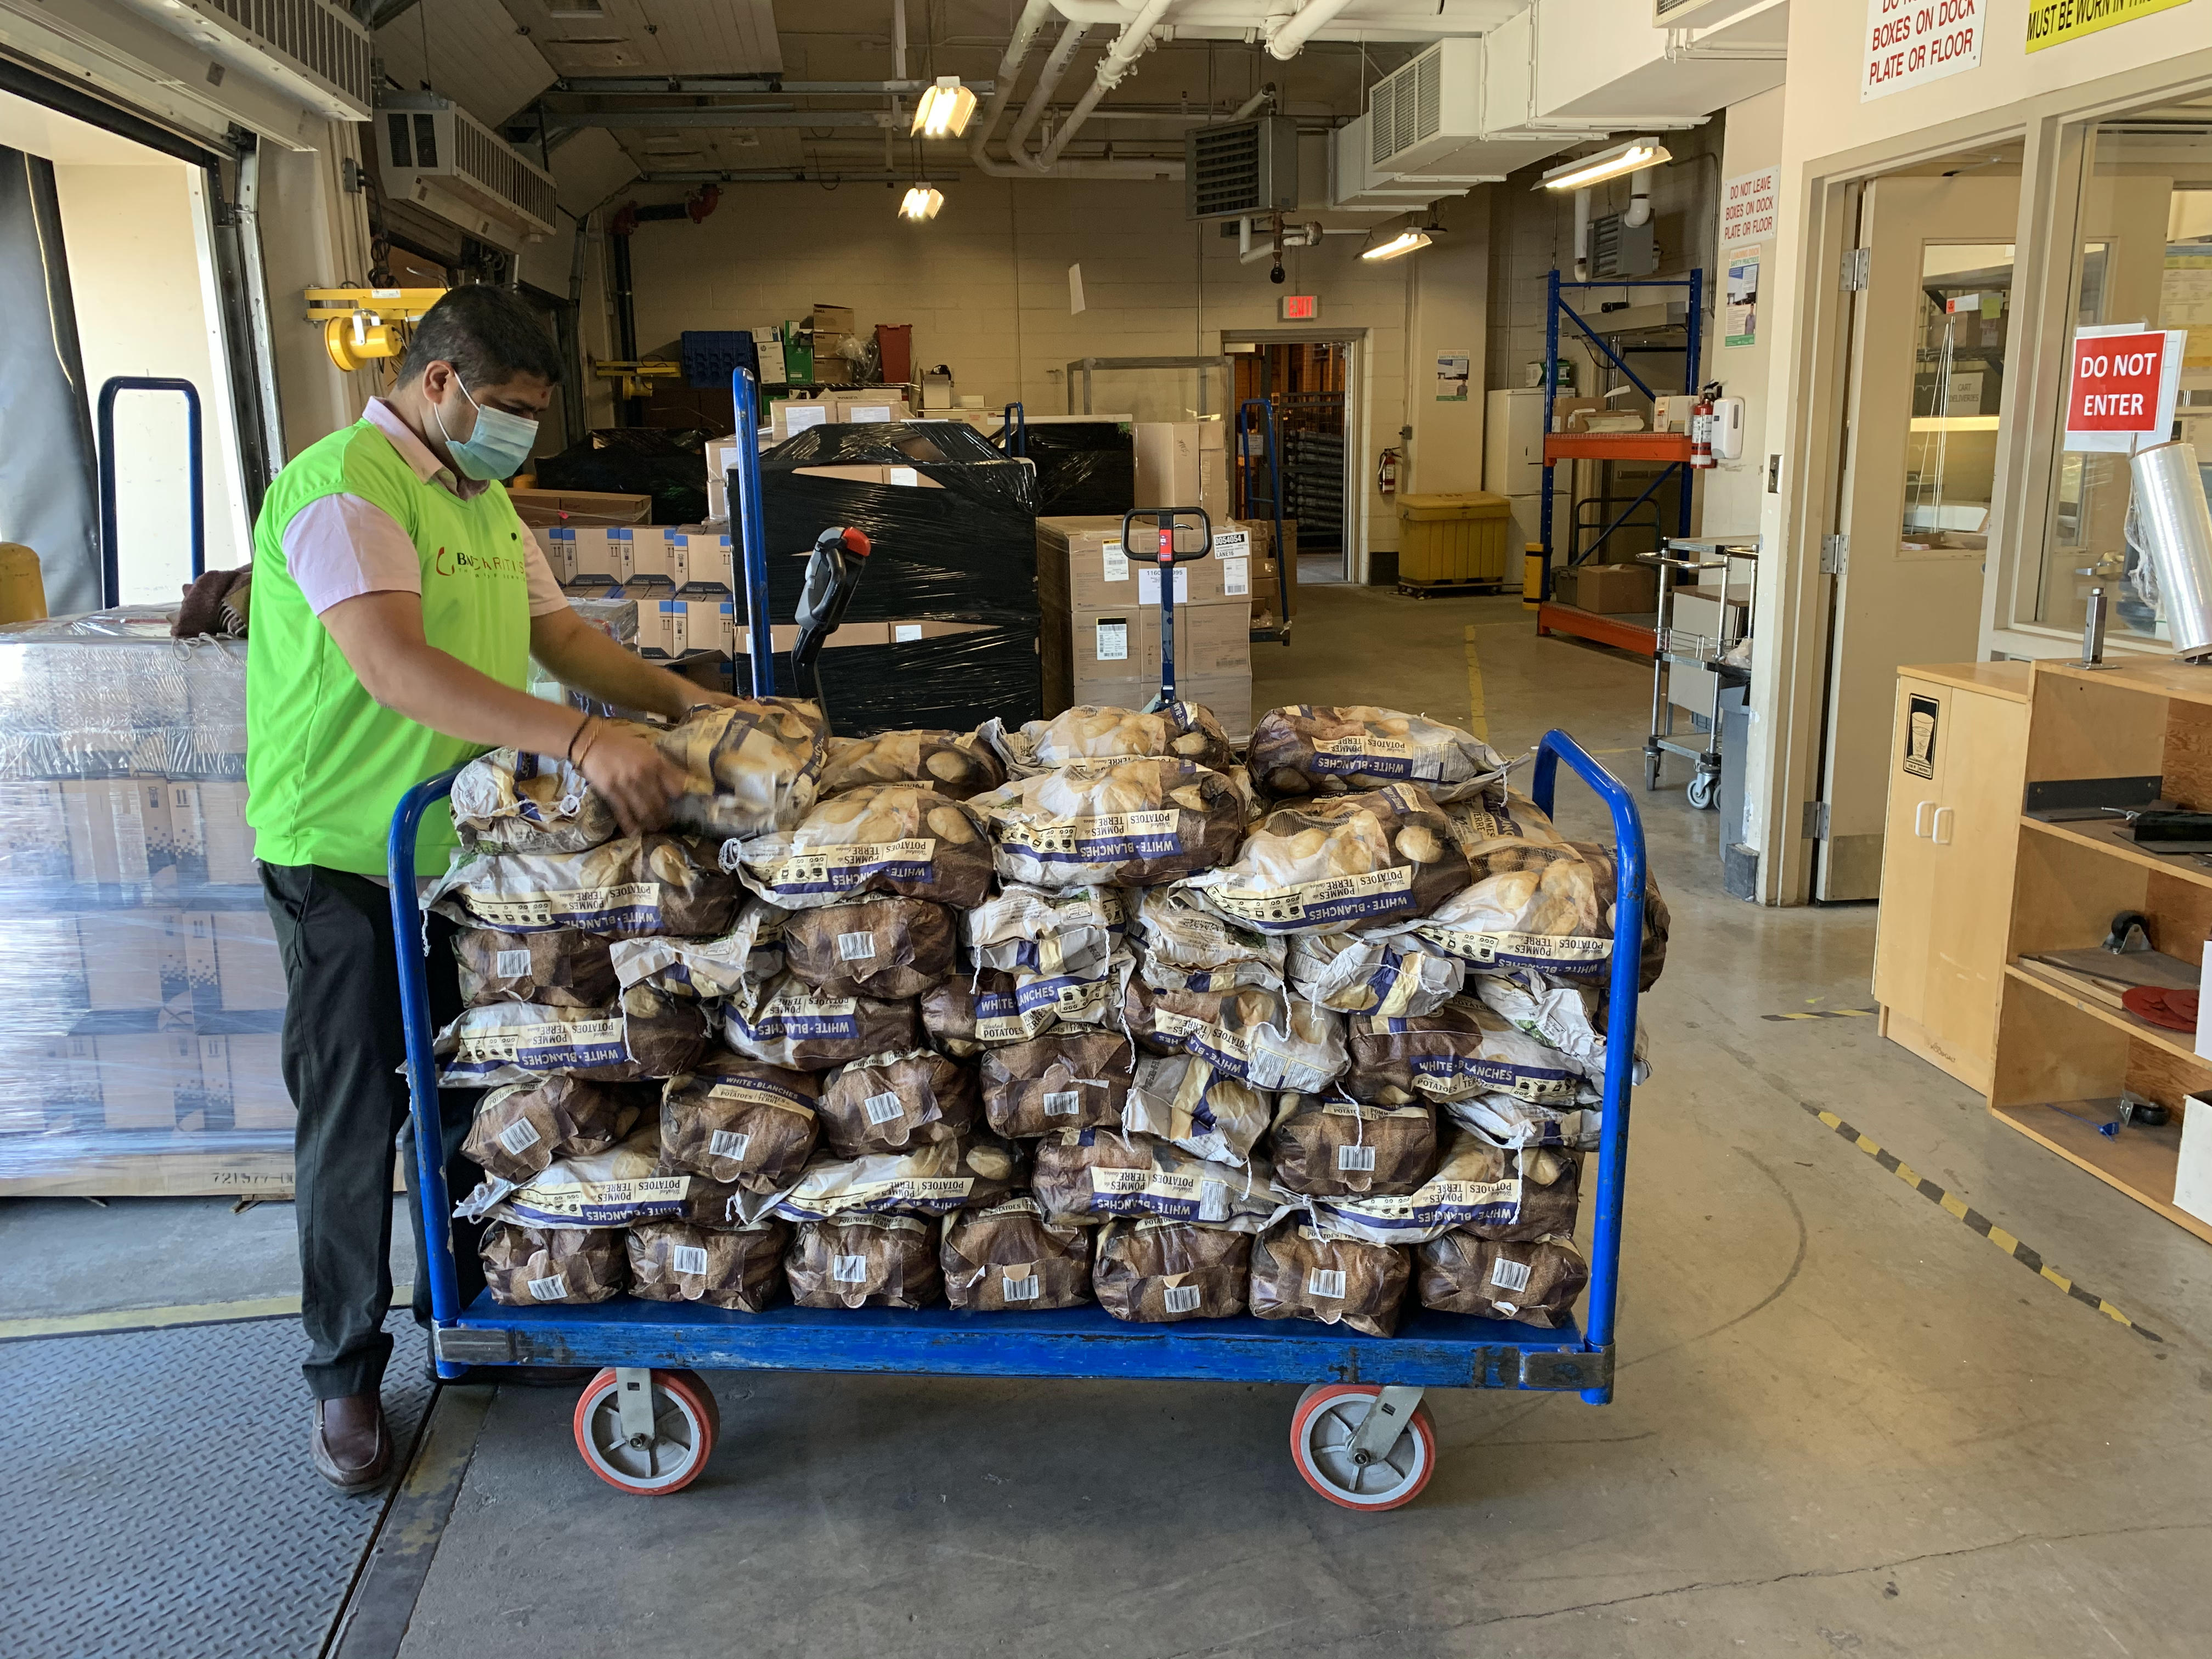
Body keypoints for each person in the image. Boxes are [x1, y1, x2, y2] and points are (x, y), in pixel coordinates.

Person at [247, 286, 726, 1489]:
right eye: (507, 408)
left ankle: (468, 1310)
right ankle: (343, 1379)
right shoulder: (345, 489)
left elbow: (562, 639)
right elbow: (397, 669)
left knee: (479, 1088)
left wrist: (693, 708)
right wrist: (579, 743)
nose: (519, 433)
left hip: (464, 863)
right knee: (359, 1117)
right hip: (344, 858)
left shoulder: (481, 495)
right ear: (443, 383)